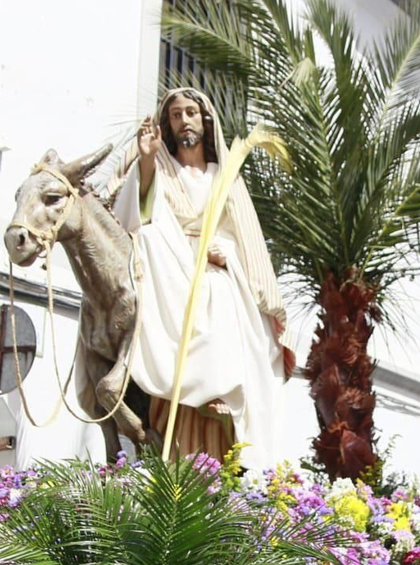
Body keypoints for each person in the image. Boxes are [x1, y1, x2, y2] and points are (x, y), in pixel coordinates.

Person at [115, 87, 293, 464]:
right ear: (168, 125)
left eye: (190, 113)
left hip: (215, 271)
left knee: (220, 295)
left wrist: (226, 255)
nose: (184, 121)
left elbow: (244, 240)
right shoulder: (162, 170)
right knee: (148, 238)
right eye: (176, 115)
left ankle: (218, 388)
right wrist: (146, 160)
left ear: (205, 121)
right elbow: (142, 213)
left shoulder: (224, 179)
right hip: (170, 268)